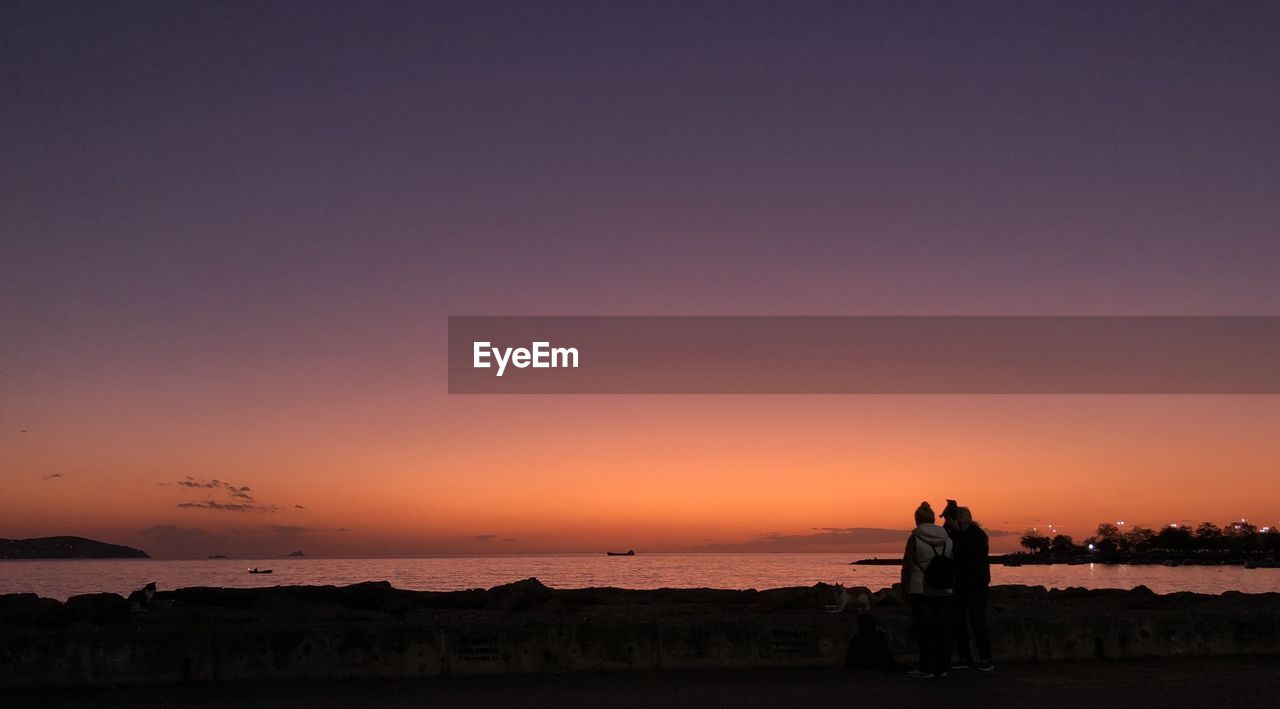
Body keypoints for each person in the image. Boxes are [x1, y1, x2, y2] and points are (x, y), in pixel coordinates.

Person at [900, 501, 954, 678]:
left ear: (917, 519)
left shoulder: (915, 538)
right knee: (942, 630)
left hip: (920, 589)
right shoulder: (947, 539)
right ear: (932, 518)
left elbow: (908, 565)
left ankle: (926, 668)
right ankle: (943, 667)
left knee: (924, 630)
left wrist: (904, 587)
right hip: (944, 590)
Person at [947, 506, 994, 671]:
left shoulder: (978, 535)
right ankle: (964, 657)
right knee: (959, 622)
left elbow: (969, 552)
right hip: (959, 584)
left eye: (960, 516)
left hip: (976, 585)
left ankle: (985, 658)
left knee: (977, 621)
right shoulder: (954, 534)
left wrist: (956, 533)